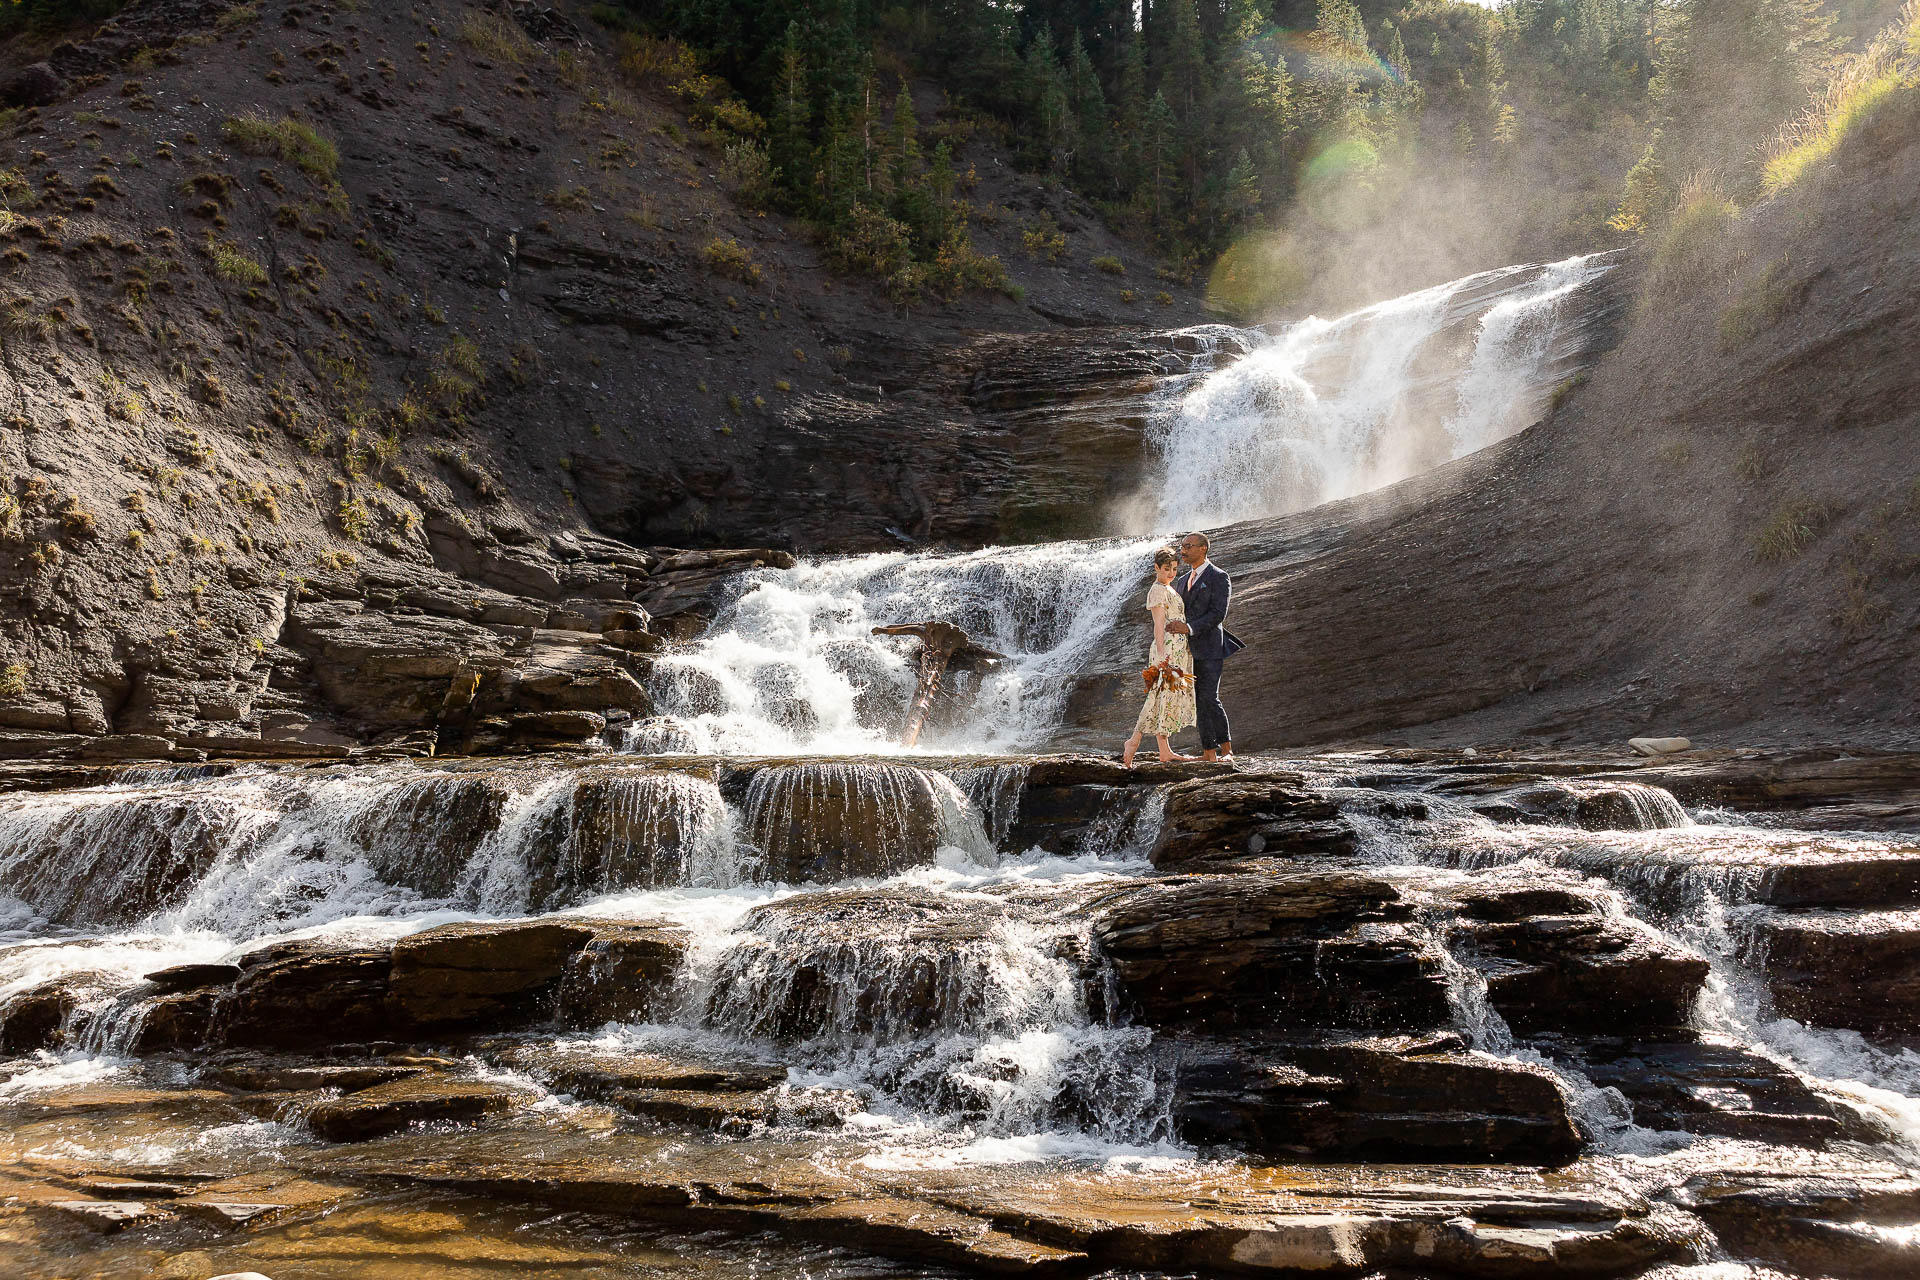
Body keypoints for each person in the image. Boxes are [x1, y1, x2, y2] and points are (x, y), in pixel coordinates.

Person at [1122, 547, 1196, 766]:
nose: (1171, 573)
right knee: (1158, 695)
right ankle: (1133, 741)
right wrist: (1162, 653)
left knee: (1166, 697)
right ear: (1156, 568)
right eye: (1166, 569)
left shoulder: (1168, 588)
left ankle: (1164, 751)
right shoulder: (1157, 590)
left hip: (1178, 650)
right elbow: (1158, 625)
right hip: (1168, 650)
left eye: (1174, 568)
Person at [1167, 531, 1235, 761]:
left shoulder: (1219, 576)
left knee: (1209, 697)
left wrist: (1189, 627)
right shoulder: (1182, 580)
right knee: (1198, 699)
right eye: (1182, 546)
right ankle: (1208, 752)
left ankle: (1226, 750)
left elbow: (1218, 613)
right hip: (1186, 650)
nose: (1182, 550)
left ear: (1203, 548)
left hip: (1210, 648)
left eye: (1188, 546)